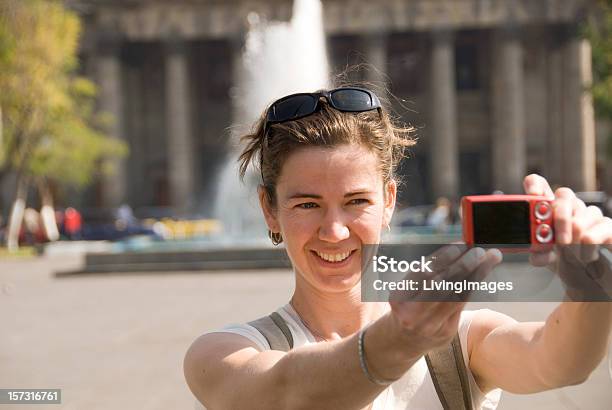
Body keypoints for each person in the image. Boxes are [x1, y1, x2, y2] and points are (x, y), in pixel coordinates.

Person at [184, 86, 612, 409]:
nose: (333, 231)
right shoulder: (223, 352)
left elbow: (557, 361)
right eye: (307, 204)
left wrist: (590, 293)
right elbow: (288, 391)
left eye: (357, 202)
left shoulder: (459, 338)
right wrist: (400, 339)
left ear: (389, 201)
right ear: (270, 208)